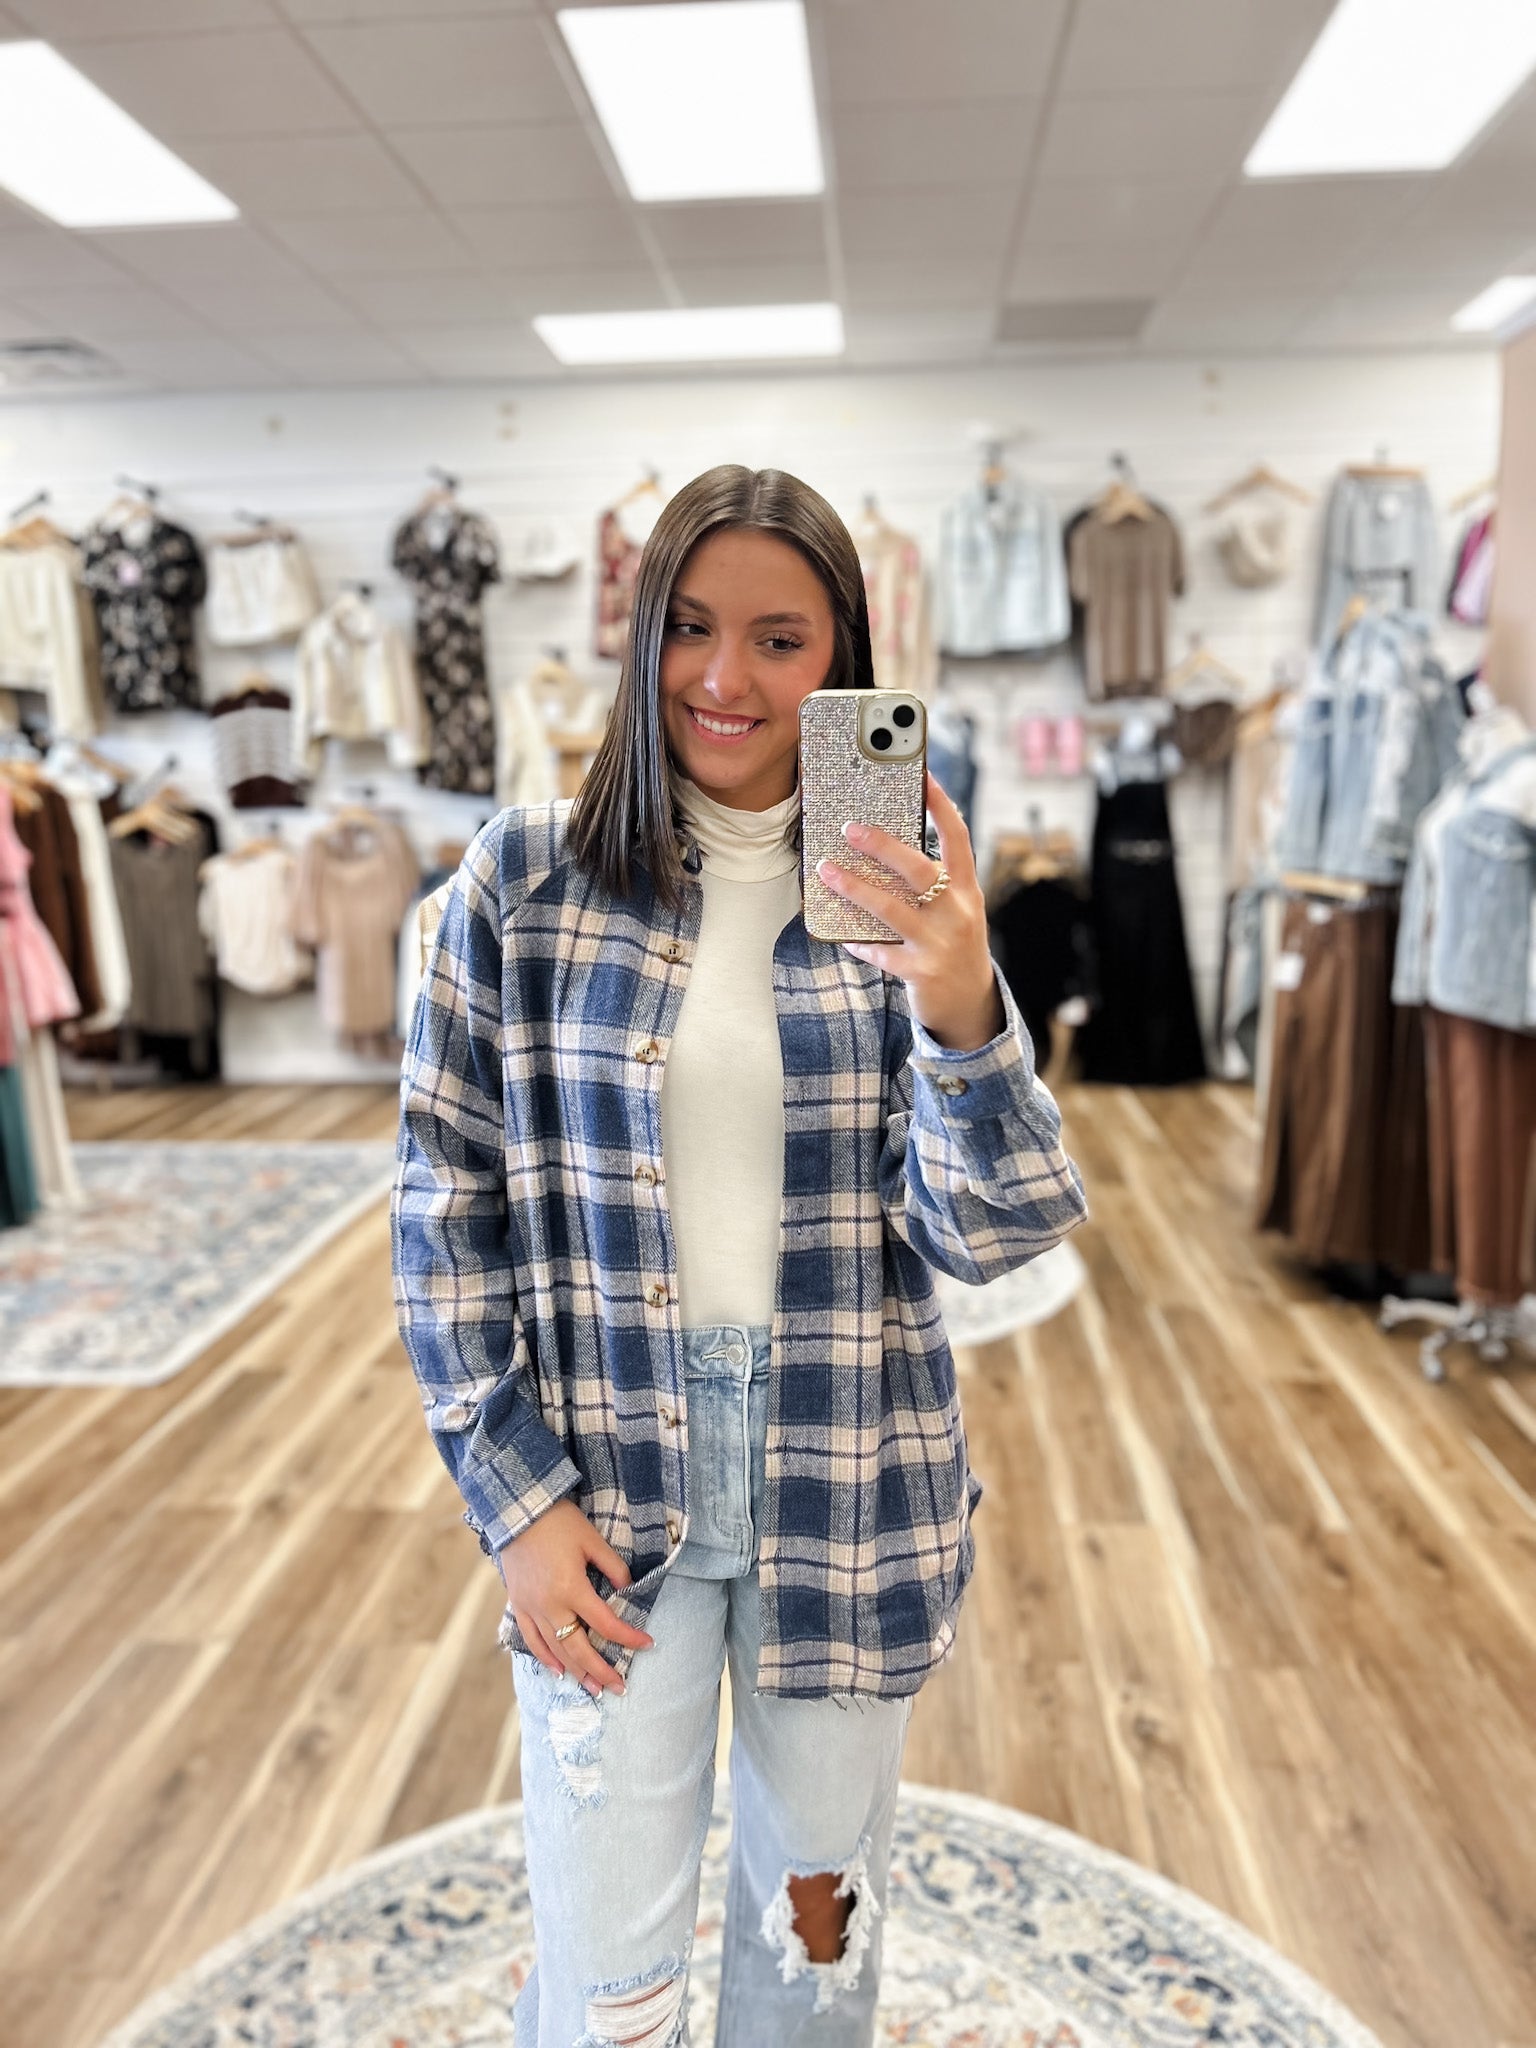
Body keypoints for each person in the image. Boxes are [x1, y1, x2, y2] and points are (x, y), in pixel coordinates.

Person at [392, 464, 1088, 2046]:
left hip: (849, 1481)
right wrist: (512, 1499)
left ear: (845, 655)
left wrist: (964, 1004)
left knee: (812, 1955)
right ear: (640, 638)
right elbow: (444, 1209)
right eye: (691, 629)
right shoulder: (521, 883)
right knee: (605, 1969)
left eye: (781, 640)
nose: (725, 678)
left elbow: (992, 1234)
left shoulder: (892, 891)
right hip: (603, 1484)